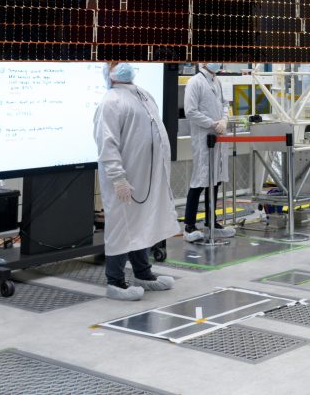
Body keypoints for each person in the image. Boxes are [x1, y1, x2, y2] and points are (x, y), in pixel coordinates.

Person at [94, 62, 179, 300]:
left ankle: (143, 274)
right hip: (125, 179)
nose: (124, 65)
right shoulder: (110, 101)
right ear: (107, 71)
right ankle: (115, 282)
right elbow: (107, 143)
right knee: (122, 227)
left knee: (140, 224)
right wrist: (118, 178)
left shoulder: (143, 94)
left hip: (146, 176)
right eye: (115, 62)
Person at [182, 64, 235, 241]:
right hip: (203, 138)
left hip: (218, 138)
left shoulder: (217, 82)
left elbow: (225, 103)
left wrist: (225, 119)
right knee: (199, 181)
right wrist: (213, 124)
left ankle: (211, 222)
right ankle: (189, 226)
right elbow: (190, 111)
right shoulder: (194, 82)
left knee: (215, 180)